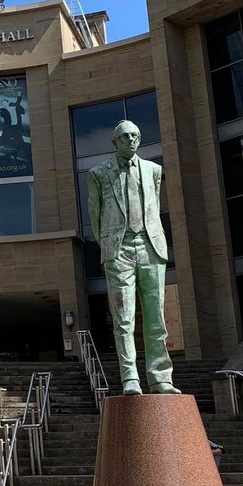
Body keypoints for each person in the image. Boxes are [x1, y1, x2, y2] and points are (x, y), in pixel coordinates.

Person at [86, 120, 180, 395]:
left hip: (150, 246)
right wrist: (108, 244)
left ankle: (161, 377)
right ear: (115, 142)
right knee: (124, 318)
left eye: (135, 135)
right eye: (125, 136)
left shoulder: (154, 170)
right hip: (119, 249)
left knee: (156, 318)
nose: (131, 140)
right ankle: (130, 377)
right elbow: (95, 216)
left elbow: (154, 208)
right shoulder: (98, 174)